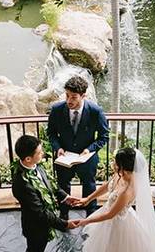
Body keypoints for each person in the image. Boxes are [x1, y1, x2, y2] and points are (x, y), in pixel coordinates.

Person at [10, 134, 77, 252]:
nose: (43, 154)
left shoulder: (36, 166)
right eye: (40, 153)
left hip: (44, 222)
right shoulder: (22, 183)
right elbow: (40, 212)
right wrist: (64, 224)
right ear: (28, 159)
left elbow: (50, 184)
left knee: (40, 248)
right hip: (35, 225)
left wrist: (65, 196)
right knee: (33, 251)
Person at [46, 76, 109, 218]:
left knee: (89, 187)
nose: (69, 100)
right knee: (63, 187)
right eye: (67, 95)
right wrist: (58, 148)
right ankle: (64, 216)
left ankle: (90, 218)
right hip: (64, 158)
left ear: (83, 95)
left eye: (74, 97)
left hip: (87, 159)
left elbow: (104, 136)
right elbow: (51, 133)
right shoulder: (56, 110)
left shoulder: (95, 111)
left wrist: (90, 149)